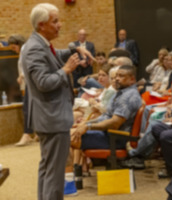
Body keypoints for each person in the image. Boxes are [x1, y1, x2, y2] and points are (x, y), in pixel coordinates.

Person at [21, 3, 94, 200]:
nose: (60, 25)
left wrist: (75, 48)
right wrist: (66, 70)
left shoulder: (40, 43)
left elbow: (54, 55)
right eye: (55, 21)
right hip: (52, 118)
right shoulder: (35, 49)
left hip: (49, 116)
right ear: (42, 25)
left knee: (48, 168)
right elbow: (44, 82)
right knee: (55, 172)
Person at [67, 65, 142, 192]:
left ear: (132, 79)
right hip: (108, 134)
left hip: (115, 138)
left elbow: (114, 123)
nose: (117, 79)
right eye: (117, 75)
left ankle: (68, 184)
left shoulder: (128, 97)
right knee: (65, 133)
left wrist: (88, 126)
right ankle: (71, 178)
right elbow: (106, 116)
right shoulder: (121, 93)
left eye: (122, 76)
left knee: (63, 139)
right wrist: (85, 124)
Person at [8, 34, 37, 146]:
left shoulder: (26, 49)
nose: (14, 51)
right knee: (31, 108)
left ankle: (27, 134)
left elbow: (30, 66)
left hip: (31, 82)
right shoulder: (23, 51)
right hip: (29, 83)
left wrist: (21, 75)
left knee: (27, 108)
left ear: (18, 44)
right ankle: (36, 133)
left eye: (14, 48)